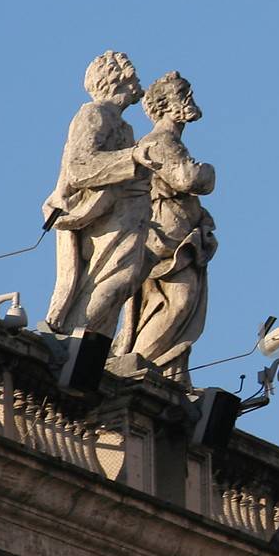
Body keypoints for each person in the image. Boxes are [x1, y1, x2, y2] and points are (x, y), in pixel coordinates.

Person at [115, 72, 215, 382]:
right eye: (182, 93)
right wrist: (207, 171)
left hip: (180, 232)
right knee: (176, 301)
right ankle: (143, 364)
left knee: (179, 303)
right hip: (165, 237)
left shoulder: (172, 141)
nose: (188, 98)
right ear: (164, 105)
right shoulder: (159, 141)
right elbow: (188, 178)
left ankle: (157, 366)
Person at [42, 51, 149, 336]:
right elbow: (79, 166)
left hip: (121, 215)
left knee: (124, 279)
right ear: (117, 79)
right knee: (115, 279)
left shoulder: (123, 126)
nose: (138, 79)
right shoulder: (94, 113)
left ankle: (92, 347)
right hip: (99, 216)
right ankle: (77, 338)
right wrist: (133, 158)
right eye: (132, 72)